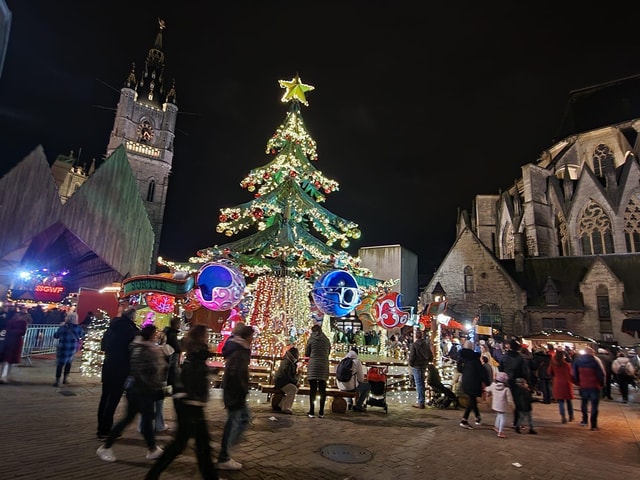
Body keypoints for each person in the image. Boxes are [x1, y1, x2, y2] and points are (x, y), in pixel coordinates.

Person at [145, 324, 219, 480]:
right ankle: (153, 474)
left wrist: (209, 372)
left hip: (190, 403)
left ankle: (209, 476)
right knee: (185, 444)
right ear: (201, 338)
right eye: (205, 335)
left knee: (198, 445)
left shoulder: (195, 354)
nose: (207, 338)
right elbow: (191, 376)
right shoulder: (196, 356)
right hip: (191, 405)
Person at [97, 324, 167, 462]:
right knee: (132, 419)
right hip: (140, 390)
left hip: (141, 389)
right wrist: (153, 384)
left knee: (143, 420)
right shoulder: (143, 349)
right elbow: (142, 371)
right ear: (151, 335)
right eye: (155, 334)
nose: (156, 337)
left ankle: (152, 449)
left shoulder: (144, 348)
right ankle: (106, 446)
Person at [96, 307, 140, 439]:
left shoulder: (111, 328)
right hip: (121, 368)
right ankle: (106, 429)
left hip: (109, 365)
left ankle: (101, 428)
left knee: (105, 398)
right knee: (113, 399)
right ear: (132, 317)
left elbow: (103, 346)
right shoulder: (131, 331)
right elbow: (134, 350)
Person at [217, 324, 255, 471]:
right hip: (235, 392)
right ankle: (224, 455)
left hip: (235, 391)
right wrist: (241, 390)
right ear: (247, 336)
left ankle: (225, 450)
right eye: (252, 336)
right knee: (234, 422)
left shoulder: (240, 349)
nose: (253, 339)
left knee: (242, 419)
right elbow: (235, 373)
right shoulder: (240, 352)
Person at [498, 339, 530, 428]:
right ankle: (516, 422)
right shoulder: (520, 357)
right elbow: (525, 371)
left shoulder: (504, 357)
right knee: (518, 402)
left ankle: (500, 422)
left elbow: (500, 368)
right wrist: (527, 381)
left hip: (507, 381)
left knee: (505, 402)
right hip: (517, 381)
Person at [458, 340, 489, 429]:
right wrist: (487, 382)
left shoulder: (461, 357)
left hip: (466, 380)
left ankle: (477, 417)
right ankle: (464, 420)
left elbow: (459, 369)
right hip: (474, 381)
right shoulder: (475, 358)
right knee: (471, 399)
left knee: (472, 398)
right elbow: (481, 371)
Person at [572, 347, 604, 431]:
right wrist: (602, 384)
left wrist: (578, 382)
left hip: (583, 386)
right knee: (594, 406)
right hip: (594, 386)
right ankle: (593, 425)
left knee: (584, 403)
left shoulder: (578, 361)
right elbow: (600, 374)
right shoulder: (595, 362)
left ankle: (584, 420)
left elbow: (574, 374)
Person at [304, 324, 331, 418]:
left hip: (314, 365)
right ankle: (321, 412)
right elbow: (328, 352)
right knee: (323, 389)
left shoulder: (311, 339)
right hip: (324, 365)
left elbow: (307, 353)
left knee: (313, 390)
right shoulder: (326, 340)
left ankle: (311, 411)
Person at [52, 311, 84, 386]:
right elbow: (82, 335)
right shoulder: (78, 328)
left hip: (62, 347)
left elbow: (56, 335)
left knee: (60, 364)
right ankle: (65, 379)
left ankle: (57, 380)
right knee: (69, 363)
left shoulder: (63, 327)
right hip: (72, 348)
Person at [0, 306, 30, 384]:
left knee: (7, 359)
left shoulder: (12, 321)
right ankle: (4, 376)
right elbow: (22, 332)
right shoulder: (22, 322)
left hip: (11, 340)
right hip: (14, 341)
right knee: (8, 360)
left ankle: (4, 376)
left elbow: (8, 329)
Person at [336, 346, 371, 412]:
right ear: (357, 354)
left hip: (340, 386)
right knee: (367, 386)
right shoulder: (356, 362)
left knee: (350, 381)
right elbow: (361, 379)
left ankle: (349, 403)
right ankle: (358, 405)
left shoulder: (342, 360)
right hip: (351, 387)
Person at [548, 347, 575, 423]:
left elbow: (550, 372)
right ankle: (571, 416)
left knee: (560, 401)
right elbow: (571, 374)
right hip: (566, 383)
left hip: (557, 382)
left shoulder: (553, 362)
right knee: (569, 401)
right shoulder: (566, 365)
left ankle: (563, 416)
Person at [408, 329, 433, 409]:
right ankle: (422, 400)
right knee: (422, 383)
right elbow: (431, 356)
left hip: (417, 366)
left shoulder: (414, 345)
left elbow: (412, 357)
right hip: (424, 365)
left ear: (416, 336)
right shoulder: (426, 345)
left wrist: (411, 364)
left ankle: (421, 402)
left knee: (419, 384)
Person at [485, 371, 514, 438]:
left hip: (495, 405)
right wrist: (512, 404)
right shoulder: (507, 389)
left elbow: (487, 389)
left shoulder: (493, 385)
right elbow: (510, 399)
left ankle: (496, 426)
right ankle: (500, 431)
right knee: (502, 417)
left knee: (499, 414)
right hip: (503, 406)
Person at [273, 346, 301, 414]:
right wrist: (294, 382)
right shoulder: (287, 362)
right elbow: (286, 375)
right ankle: (286, 407)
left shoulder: (291, 362)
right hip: (282, 382)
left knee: (294, 388)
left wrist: (297, 376)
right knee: (292, 389)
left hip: (284, 381)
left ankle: (281, 404)